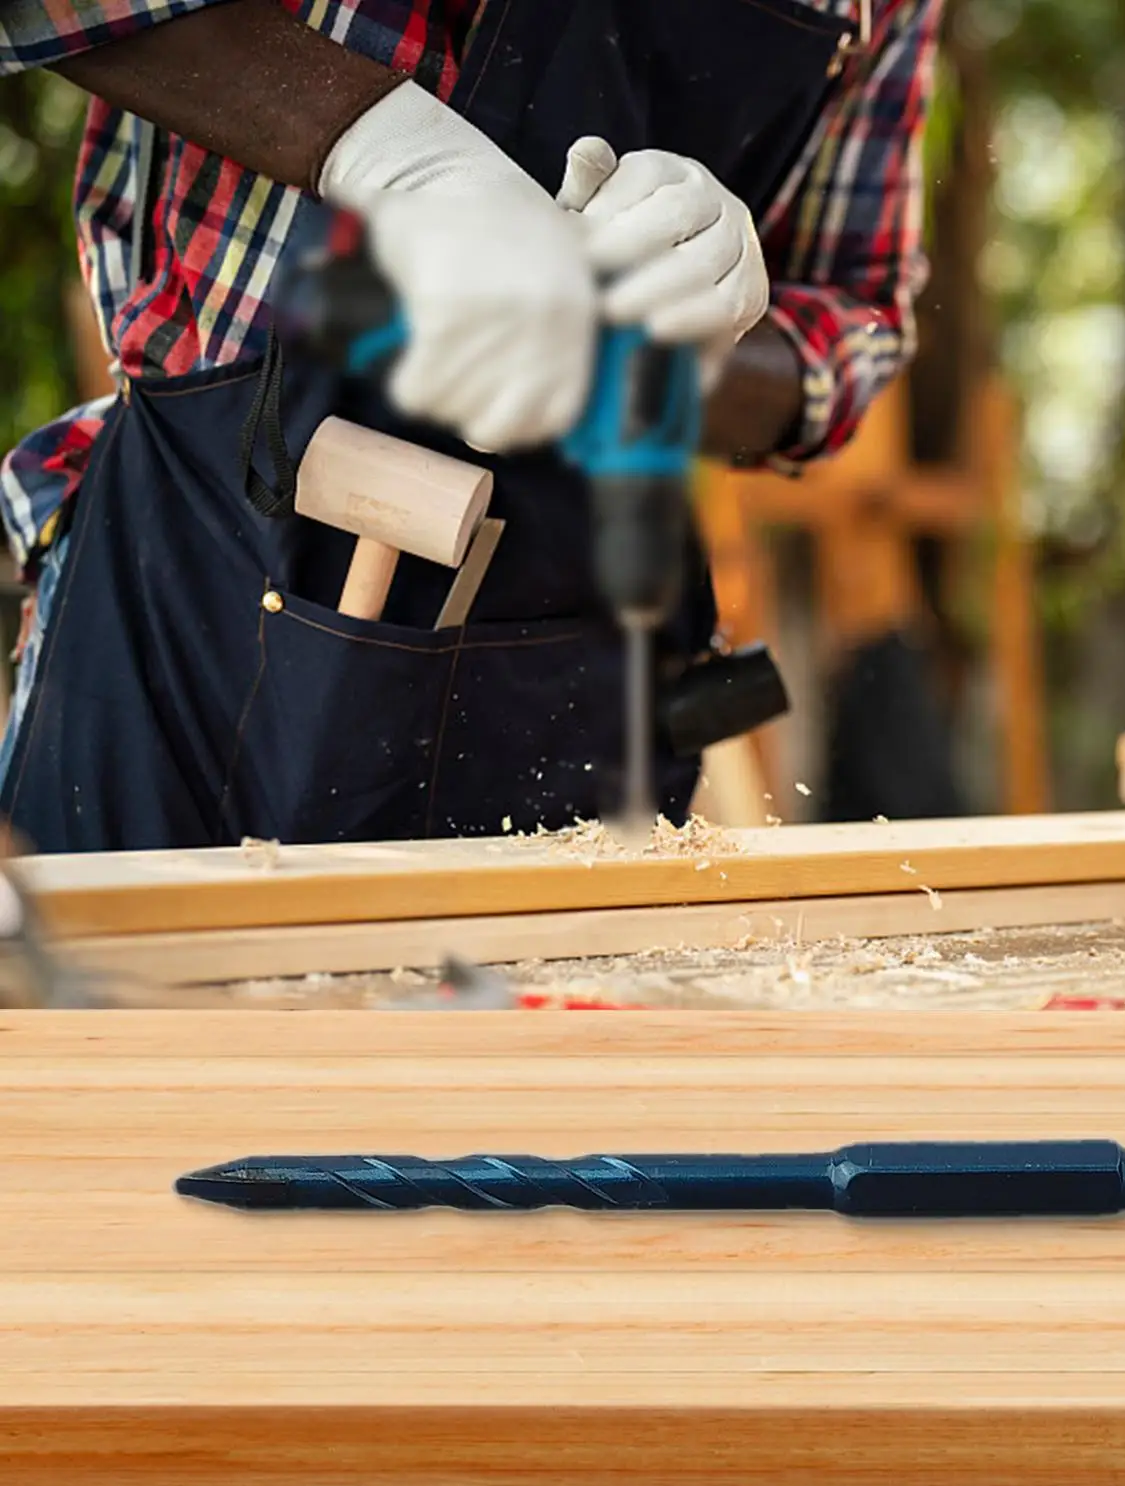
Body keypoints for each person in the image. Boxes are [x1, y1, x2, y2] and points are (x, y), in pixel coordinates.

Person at [0, 0, 941, 851]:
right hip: (195, 613)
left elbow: (856, 316)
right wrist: (385, 151)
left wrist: (696, 345)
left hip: (577, 668)